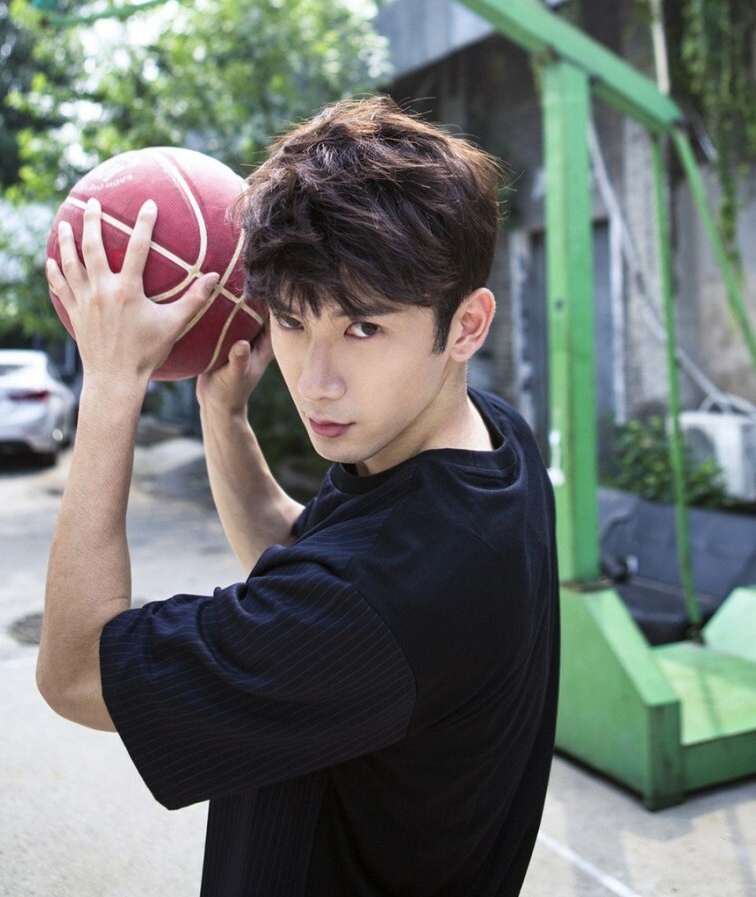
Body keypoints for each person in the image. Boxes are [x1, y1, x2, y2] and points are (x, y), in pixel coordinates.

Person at [38, 96, 559, 897]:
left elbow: (74, 670)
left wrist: (110, 386)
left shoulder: (383, 598)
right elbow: (301, 556)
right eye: (289, 320)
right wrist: (223, 417)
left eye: (361, 328)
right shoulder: (489, 439)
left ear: (466, 324)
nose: (314, 381)